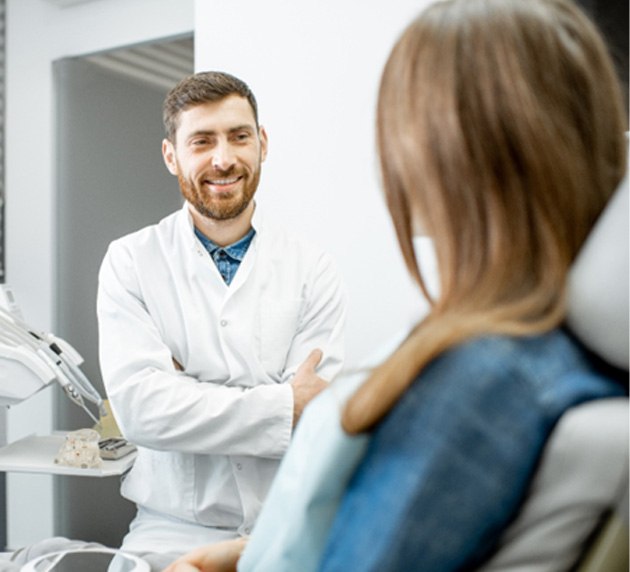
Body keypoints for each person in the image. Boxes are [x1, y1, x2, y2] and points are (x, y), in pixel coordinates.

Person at [164, 0, 628, 570]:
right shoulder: (550, 355)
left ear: (441, 151)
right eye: (202, 141)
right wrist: (252, 552)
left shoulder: (480, 383)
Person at [96, 71, 346, 558]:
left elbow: (315, 415)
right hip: (170, 532)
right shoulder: (131, 261)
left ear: (263, 144)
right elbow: (143, 413)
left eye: (239, 136)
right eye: (202, 141)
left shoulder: (313, 268)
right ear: (172, 156)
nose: (224, 158)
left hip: (289, 521)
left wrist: (187, 392)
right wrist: (281, 403)